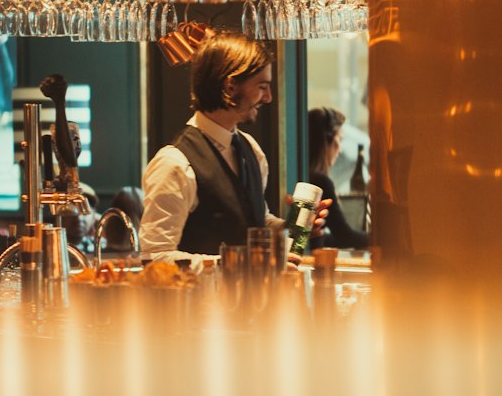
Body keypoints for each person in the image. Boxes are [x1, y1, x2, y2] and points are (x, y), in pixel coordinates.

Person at [141, 32, 325, 259]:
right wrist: (238, 265)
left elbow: (254, 220)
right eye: (262, 86)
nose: (268, 97)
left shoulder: (251, 149)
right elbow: (155, 256)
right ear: (230, 88)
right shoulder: (174, 163)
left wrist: (290, 227)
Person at [307, 107, 370, 252]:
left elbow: (324, 238)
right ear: (326, 141)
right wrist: (382, 239)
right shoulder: (321, 182)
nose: (340, 148)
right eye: (339, 139)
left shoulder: (306, 177)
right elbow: (344, 236)